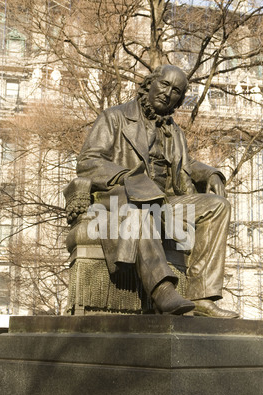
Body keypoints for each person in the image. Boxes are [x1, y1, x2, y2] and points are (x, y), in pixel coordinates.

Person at [77, 64, 239, 318]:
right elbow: (88, 162)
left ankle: (202, 298)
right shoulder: (114, 117)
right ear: (149, 84)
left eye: (176, 91)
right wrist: (129, 178)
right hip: (125, 198)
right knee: (143, 203)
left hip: (166, 202)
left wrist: (211, 173)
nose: (167, 93)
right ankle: (163, 289)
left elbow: (184, 167)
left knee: (218, 205)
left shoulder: (174, 132)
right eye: (164, 84)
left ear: (179, 100)